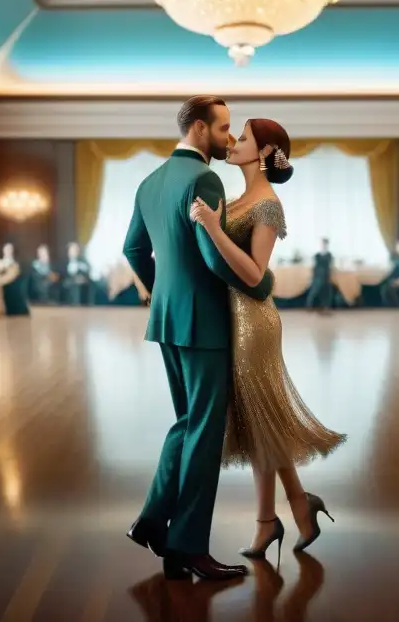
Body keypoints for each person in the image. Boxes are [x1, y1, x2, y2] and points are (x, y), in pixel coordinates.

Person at [122, 95, 274, 581]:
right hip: (205, 322)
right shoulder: (205, 179)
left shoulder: (150, 181)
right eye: (224, 128)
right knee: (204, 435)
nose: (229, 138)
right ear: (199, 130)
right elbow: (213, 259)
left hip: (166, 319)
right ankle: (188, 546)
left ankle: (151, 522)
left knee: (187, 423)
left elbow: (132, 248)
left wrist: (160, 288)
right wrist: (258, 286)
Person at [190, 117, 345, 564]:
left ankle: (267, 522)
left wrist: (214, 230)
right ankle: (297, 506)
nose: (233, 143)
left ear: (262, 153)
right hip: (233, 318)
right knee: (262, 423)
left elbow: (255, 274)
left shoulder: (269, 205)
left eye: (242, 139)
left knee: (260, 423)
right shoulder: (241, 198)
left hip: (253, 322)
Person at [0, 243, 30, 317]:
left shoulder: (16, 262)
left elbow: (13, 274)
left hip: (13, 283)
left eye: (9, 249)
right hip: (4, 282)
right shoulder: (1, 261)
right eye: (6, 249)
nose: (8, 251)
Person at [305, 238, 335, 313]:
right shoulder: (317, 255)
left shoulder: (329, 255)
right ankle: (309, 305)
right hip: (318, 276)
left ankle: (325, 306)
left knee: (326, 292)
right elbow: (313, 266)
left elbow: (331, 266)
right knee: (315, 290)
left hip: (326, 276)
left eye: (326, 244)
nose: (324, 245)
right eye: (323, 244)